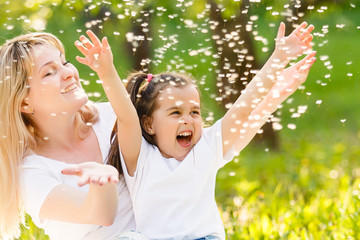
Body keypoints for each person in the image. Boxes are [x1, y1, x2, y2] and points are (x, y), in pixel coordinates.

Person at [104, 21, 316, 240]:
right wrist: (106, 71)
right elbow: (126, 117)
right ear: (149, 124)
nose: (188, 120)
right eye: (175, 113)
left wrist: (278, 61)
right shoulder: (141, 159)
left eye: (195, 112)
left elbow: (243, 110)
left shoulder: (205, 149)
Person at [0, 31, 136, 240]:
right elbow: (99, 214)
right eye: (49, 73)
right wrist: (103, 180)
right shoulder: (31, 173)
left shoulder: (112, 116)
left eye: (65, 62)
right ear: (24, 103)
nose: (68, 73)